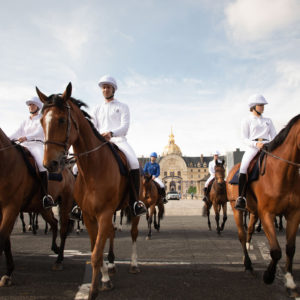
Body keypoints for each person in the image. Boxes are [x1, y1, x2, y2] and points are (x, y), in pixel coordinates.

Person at [72, 75, 146, 218]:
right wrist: (98, 137)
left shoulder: (122, 106)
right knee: (76, 167)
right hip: (100, 142)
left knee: (134, 162)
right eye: (103, 87)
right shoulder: (96, 108)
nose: (105, 89)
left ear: (113, 89)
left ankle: (135, 202)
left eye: (108, 87)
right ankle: (77, 204)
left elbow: (125, 126)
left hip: (118, 140)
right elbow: (92, 127)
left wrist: (111, 133)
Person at [9, 96, 55, 209]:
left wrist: (27, 137)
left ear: (38, 106)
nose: (30, 106)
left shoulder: (42, 118)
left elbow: (39, 132)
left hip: (37, 145)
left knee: (41, 164)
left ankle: (46, 195)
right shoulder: (25, 121)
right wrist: (7, 140)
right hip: (25, 145)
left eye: (32, 104)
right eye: (29, 105)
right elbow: (16, 132)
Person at [234, 94, 276, 211]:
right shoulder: (246, 120)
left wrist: (269, 144)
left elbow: (274, 136)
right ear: (253, 106)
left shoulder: (268, 121)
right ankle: (241, 198)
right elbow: (244, 138)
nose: (263, 107)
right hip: (253, 147)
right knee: (244, 167)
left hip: (268, 147)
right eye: (260, 105)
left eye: (263, 105)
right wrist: (256, 144)